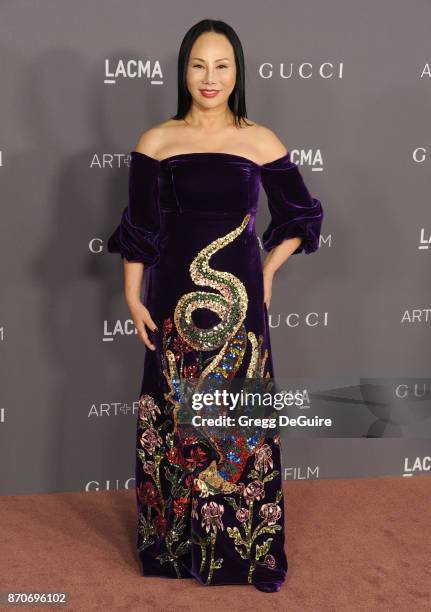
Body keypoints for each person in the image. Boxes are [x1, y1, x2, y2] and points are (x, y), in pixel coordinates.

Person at [107, 19, 324, 593]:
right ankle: (173, 549)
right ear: (184, 70)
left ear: (237, 72)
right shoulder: (156, 141)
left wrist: (268, 270)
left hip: (239, 307)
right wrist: (132, 294)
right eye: (199, 65)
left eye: (221, 66)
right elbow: (141, 230)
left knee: (236, 425)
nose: (210, 78)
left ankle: (243, 553)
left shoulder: (259, 140)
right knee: (173, 420)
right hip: (172, 299)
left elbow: (300, 215)